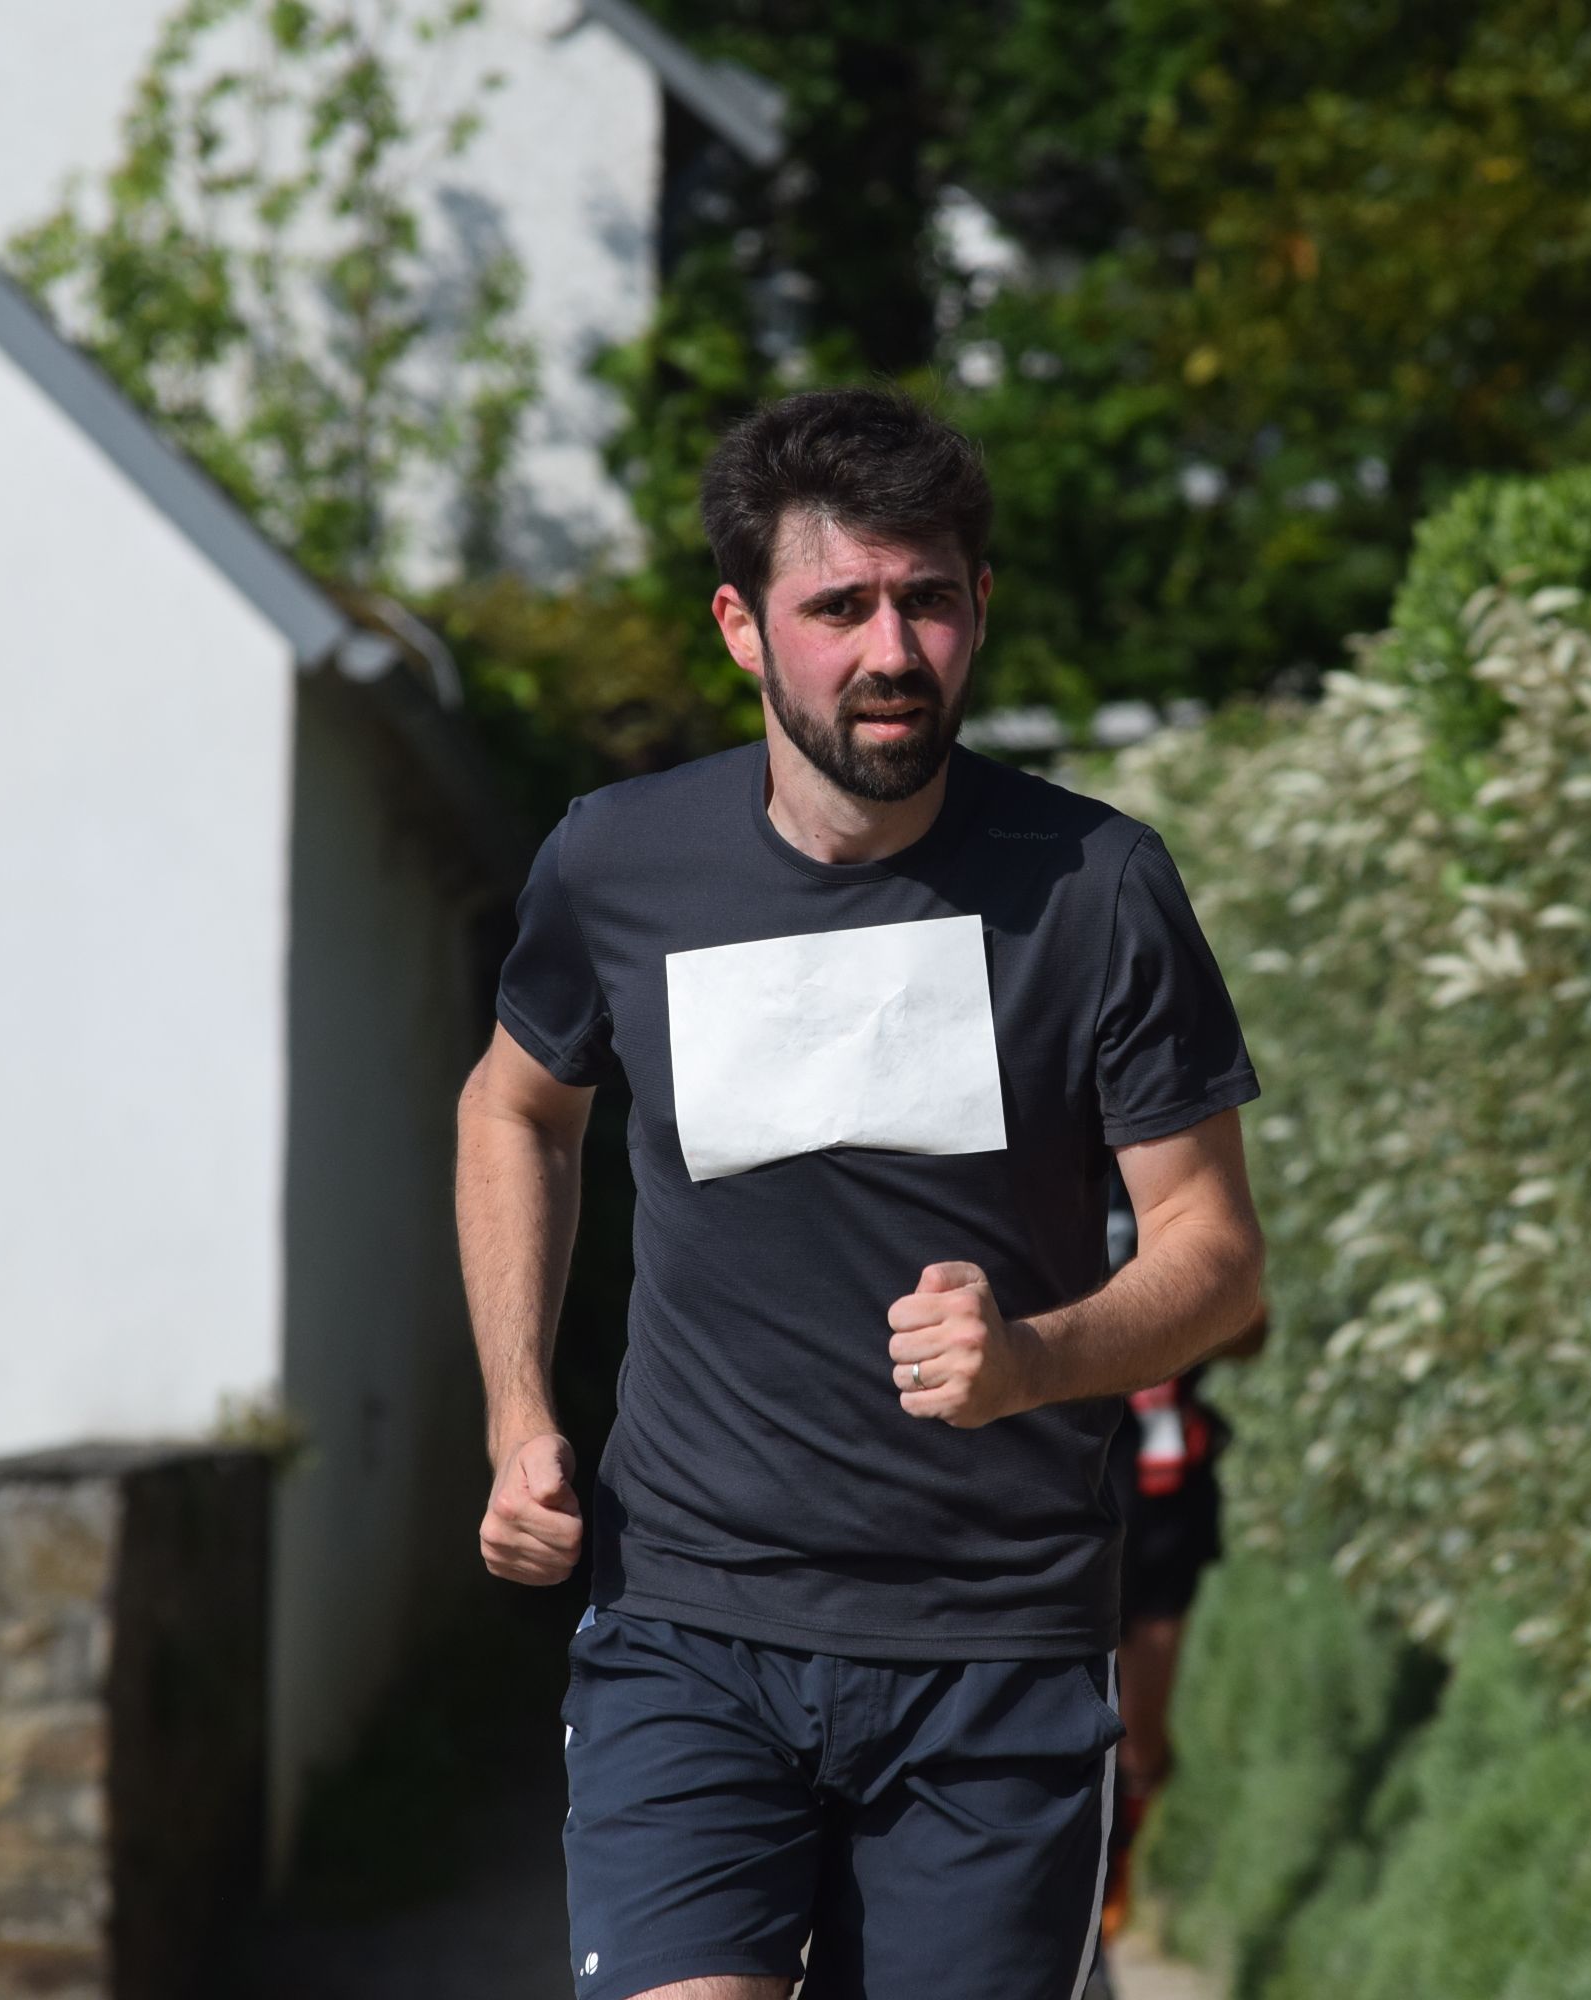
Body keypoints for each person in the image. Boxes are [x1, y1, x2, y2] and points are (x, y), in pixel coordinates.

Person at [457, 384, 1268, 2000]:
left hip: (994, 1653)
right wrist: (517, 1412)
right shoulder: (619, 865)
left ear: (981, 611)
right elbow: (516, 1106)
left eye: (928, 601)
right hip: (689, 1622)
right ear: (742, 628)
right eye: (839, 607)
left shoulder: (1093, 888)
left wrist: (1031, 1357)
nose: (891, 650)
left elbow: (1218, 1257)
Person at [1093, 1181, 1264, 1951]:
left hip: (1167, 1499)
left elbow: (1253, 1324)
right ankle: (1064, 1896)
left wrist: (1176, 1318)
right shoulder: (1022, 1163)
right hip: (1064, 1487)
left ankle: (1118, 1880)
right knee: (1064, 1715)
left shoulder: (1174, 1171)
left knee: (1141, 1733)